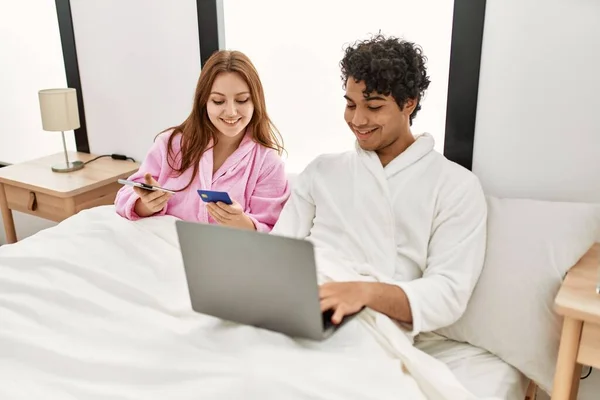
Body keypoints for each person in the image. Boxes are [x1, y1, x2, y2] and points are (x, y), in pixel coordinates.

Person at [271, 34, 487, 335]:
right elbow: (276, 252)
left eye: (373, 107)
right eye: (350, 104)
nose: (357, 120)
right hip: (295, 302)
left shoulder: (455, 186)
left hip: (369, 322)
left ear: (409, 103)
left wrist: (363, 293)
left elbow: (449, 294)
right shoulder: (322, 169)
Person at [115, 50, 290, 232]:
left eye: (242, 100)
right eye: (218, 101)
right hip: (161, 246)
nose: (231, 111)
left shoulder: (268, 164)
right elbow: (124, 197)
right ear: (204, 102)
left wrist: (239, 221)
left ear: (256, 102)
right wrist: (146, 204)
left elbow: (273, 230)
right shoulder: (171, 144)